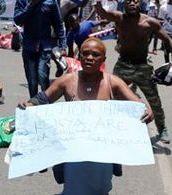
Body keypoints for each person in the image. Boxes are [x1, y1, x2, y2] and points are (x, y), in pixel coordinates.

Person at [19, 37, 153, 194]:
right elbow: (43, 98)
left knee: (101, 188)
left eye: (95, 55)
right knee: (73, 188)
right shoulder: (68, 80)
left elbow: (138, 104)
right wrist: (30, 104)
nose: (89, 58)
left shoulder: (113, 82)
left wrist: (146, 111)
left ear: (103, 59)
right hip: (73, 151)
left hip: (102, 152)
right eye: (85, 54)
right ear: (79, 56)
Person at [95, 0, 172, 143]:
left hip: (142, 67)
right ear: (124, 5)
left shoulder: (150, 22)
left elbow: (168, 40)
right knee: (110, 96)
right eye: (128, 1)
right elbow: (102, 13)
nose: (131, 3)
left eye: (135, 1)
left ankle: (162, 128)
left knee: (154, 100)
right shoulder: (119, 18)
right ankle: (109, 126)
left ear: (140, 4)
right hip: (123, 65)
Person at [14, 0, 66, 98]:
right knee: (32, 81)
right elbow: (18, 20)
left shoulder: (51, 0)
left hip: (45, 46)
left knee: (43, 76)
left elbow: (58, 24)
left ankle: (45, 105)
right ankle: (33, 104)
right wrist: (31, 5)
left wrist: (63, 45)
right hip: (29, 45)